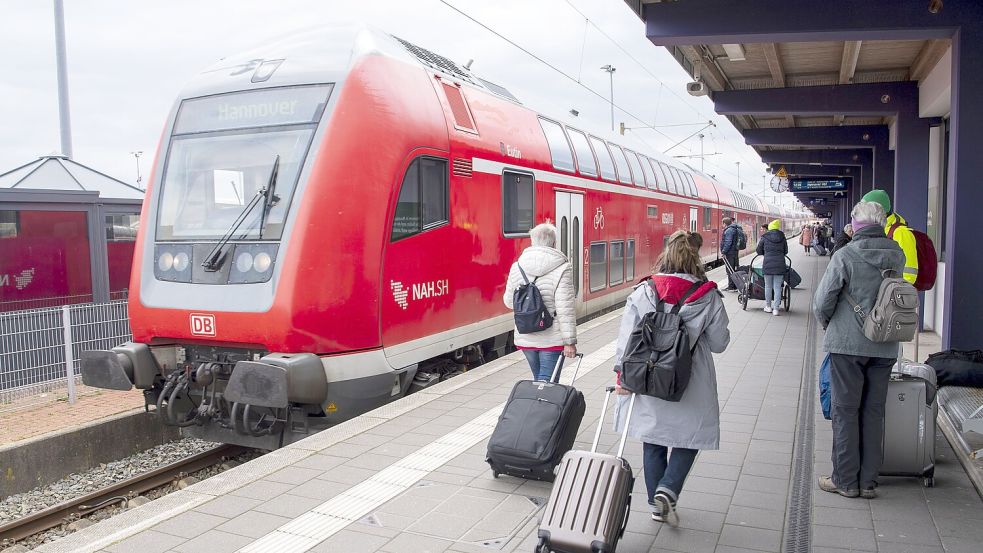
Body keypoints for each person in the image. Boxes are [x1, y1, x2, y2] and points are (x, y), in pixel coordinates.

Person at [613, 230, 730, 526]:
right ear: (695, 260)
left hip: (648, 376)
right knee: (688, 437)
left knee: (653, 439)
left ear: (664, 257)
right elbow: (719, 343)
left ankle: (655, 503)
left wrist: (621, 376)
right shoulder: (709, 296)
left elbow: (626, 339)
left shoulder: (644, 291)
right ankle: (669, 488)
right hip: (689, 378)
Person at [812, 201, 905, 499]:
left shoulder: (846, 254)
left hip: (848, 346)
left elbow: (822, 301)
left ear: (856, 222)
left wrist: (830, 325)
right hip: (886, 343)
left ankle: (845, 481)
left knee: (845, 411)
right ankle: (868, 482)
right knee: (873, 412)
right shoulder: (897, 254)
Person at [503, 223, 577, 380]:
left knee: (539, 380)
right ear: (554, 243)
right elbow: (565, 308)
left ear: (532, 241)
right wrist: (570, 341)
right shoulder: (563, 267)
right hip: (551, 337)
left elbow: (509, 302)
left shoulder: (517, 266)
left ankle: (537, 403)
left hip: (526, 336)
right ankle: (543, 404)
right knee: (547, 384)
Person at [862, 189, 918, 284]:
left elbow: (910, 272)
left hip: (892, 294)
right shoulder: (878, 229)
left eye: (864, 209)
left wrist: (897, 292)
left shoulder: (901, 233)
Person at [756, 219, 788, 316]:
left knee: (768, 287)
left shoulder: (764, 237)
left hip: (768, 264)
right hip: (780, 265)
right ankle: (776, 309)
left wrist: (766, 253)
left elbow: (758, 250)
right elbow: (786, 251)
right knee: (777, 287)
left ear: (769, 228)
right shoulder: (782, 237)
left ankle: (768, 307)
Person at [720, 217, 742, 291]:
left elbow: (728, 242)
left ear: (724, 223)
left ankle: (731, 286)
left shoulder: (729, 230)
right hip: (734, 252)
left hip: (730, 253)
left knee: (729, 270)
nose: (722, 225)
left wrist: (723, 252)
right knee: (733, 269)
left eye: (722, 223)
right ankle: (734, 285)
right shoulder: (734, 229)